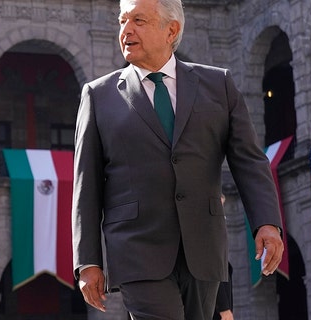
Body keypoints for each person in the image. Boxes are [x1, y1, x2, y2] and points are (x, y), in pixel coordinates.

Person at [71, 0, 284, 319]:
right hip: (137, 252)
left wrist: (267, 223)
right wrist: (87, 262)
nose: (126, 30)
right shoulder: (98, 96)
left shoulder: (219, 84)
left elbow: (249, 161)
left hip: (204, 251)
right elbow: (85, 185)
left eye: (138, 20)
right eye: (122, 21)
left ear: (172, 29)